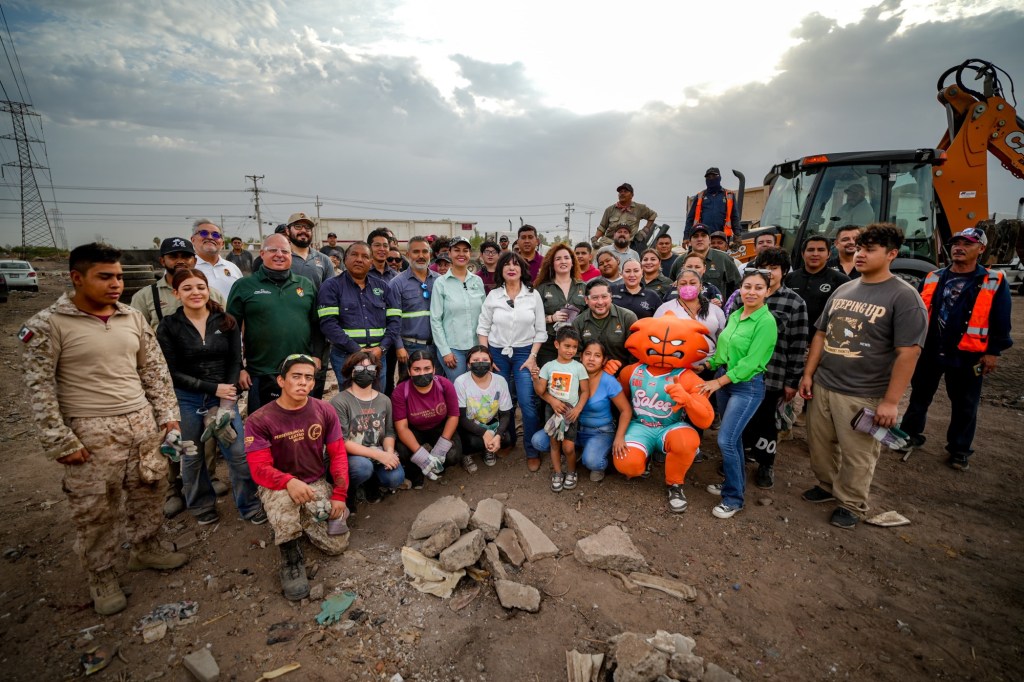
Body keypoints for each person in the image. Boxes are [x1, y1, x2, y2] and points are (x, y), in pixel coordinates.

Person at [21, 243, 186, 615]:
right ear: (77, 278)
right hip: (90, 429)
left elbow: (154, 372)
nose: (116, 284)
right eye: (105, 277)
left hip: (141, 422)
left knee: (149, 488)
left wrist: (167, 418)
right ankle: (102, 574)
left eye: (119, 277)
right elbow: (39, 388)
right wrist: (60, 439)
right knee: (95, 507)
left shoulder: (131, 317)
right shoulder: (46, 325)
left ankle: (146, 548)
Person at [799, 223, 928, 530]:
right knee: (820, 444)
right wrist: (808, 374)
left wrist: (890, 402)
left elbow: (909, 353)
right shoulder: (845, 288)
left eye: (870, 250)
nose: (860, 254)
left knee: (858, 453)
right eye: (859, 248)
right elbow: (820, 334)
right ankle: (827, 486)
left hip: (863, 392)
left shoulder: (904, 297)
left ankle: (851, 503)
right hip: (824, 384)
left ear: (891, 254)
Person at [157, 269, 265, 526]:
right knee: (190, 455)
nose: (195, 292)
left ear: (208, 290)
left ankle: (249, 505)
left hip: (223, 398)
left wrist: (227, 402)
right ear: (176, 293)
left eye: (200, 287)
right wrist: (211, 388)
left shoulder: (225, 321)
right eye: (187, 288)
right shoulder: (169, 326)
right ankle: (200, 505)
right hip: (187, 399)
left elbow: (234, 361)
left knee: (238, 453)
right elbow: (171, 372)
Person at [900, 227, 1013, 470]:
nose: (959, 248)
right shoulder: (932, 277)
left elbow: (1001, 318)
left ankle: (959, 449)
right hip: (930, 349)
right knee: (920, 395)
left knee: (964, 403)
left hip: (967, 353)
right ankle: (910, 434)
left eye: (967, 244)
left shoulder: (994, 281)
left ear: (980, 249)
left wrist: (993, 351)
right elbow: (916, 312)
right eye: (956, 243)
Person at [131, 237, 228, 515]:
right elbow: (137, 339)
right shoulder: (146, 296)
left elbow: (226, 330)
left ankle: (206, 478)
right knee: (173, 433)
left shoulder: (212, 294)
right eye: (173, 256)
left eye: (185, 255)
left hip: (208, 377)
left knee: (205, 436)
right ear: (162, 261)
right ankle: (174, 485)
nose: (181, 260)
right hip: (166, 379)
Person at [245, 354, 350, 601]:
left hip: (314, 483)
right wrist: (288, 482)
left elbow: (338, 455)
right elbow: (258, 468)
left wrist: (339, 495)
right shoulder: (259, 419)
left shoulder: (324, 410)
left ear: (313, 383)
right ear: (281, 381)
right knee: (283, 505)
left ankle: (298, 520)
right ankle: (291, 558)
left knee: (337, 546)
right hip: (278, 485)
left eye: (308, 377)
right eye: (296, 377)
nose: (303, 382)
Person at [700, 270, 778, 520]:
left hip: (747, 386)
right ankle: (733, 485)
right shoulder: (735, 314)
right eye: (747, 287)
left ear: (767, 291)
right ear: (740, 289)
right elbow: (723, 353)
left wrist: (718, 382)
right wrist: (705, 366)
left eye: (758, 288)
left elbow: (751, 363)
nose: (751, 292)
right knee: (733, 439)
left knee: (726, 439)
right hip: (725, 380)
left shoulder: (766, 322)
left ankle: (734, 499)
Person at [228, 234, 324, 410]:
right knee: (263, 428)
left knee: (299, 427)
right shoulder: (244, 286)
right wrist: (239, 368)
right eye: (273, 250)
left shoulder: (306, 285)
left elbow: (317, 325)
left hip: (298, 371)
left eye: (285, 251)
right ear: (262, 254)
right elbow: (230, 331)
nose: (279, 254)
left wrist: (317, 355)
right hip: (261, 372)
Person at [740, 249, 808, 489]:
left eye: (774, 268)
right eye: (764, 267)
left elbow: (798, 344)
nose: (769, 273)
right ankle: (741, 458)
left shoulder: (794, 302)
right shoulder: (747, 295)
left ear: (784, 271)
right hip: (743, 374)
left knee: (768, 423)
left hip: (773, 375)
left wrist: (792, 381)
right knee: (742, 419)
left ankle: (765, 464)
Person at [477, 251, 547, 470]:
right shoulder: (494, 295)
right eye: (506, 264)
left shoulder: (532, 295)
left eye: (516, 264)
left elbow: (541, 330)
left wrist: (533, 357)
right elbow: (483, 327)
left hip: (525, 353)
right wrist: (487, 356)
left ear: (522, 270)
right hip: (497, 353)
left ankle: (532, 449)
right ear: (501, 270)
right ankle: (506, 439)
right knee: (502, 400)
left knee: (527, 401)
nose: (511, 268)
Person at [531, 339, 631, 482]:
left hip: (598, 431)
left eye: (597, 356)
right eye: (588, 354)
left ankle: (598, 461)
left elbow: (626, 410)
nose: (591, 359)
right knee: (538, 441)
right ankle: (574, 451)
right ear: (581, 356)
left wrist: (620, 437)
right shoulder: (569, 373)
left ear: (604, 360)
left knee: (592, 461)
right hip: (570, 427)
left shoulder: (608, 381)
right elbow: (545, 391)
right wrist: (552, 400)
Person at [317, 241, 399, 390]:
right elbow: (328, 324)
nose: (359, 259)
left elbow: (394, 321)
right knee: (351, 401)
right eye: (354, 254)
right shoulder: (331, 286)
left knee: (377, 399)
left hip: (378, 356)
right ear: (345, 259)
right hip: (346, 356)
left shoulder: (383, 287)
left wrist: (381, 348)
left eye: (365, 256)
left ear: (371, 262)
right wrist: (356, 350)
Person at [330, 352, 406, 504]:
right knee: (362, 467)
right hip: (350, 457)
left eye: (370, 367)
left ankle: (372, 482)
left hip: (377, 452)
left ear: (376, 372)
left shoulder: (384, 400)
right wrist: (379, 456)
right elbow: (342, 441)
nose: (365, 371)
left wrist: (389, 453)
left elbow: (389, 432)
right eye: (359, 367)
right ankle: (352, 489)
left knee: (395, 477)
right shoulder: (339, 401)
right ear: (350, 371)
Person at [532, 327, 590, 491]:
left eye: (574, 347)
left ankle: (571, 472)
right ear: (557, 344)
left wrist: (578, 409)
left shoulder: (578, 367)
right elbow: (540, 391)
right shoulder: (548, 366)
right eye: (567, 346)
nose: (571, 350)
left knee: (568, 447)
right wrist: (536, 379)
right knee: (554, 443)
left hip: (571, 411)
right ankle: (557, 473)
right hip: (553, 411)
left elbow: (585, 391)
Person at [393, 350, 464, 481]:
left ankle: (437, 464)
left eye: (427, 368)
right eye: (416, 369)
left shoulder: (445, 384)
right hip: (414, 429)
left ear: (434, 370)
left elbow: (453, 416)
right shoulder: (400, 391)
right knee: (402, 451)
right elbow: (402, 427)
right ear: (409, 371)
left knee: (453, 455)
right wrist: (421, 455)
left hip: (439, 427)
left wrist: (441, 448)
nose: (422, 373)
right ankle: (417, 470)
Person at [430, 236, 486, 382]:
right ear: (449, 254)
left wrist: (484, 348)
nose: (461, 254)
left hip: (476, 348)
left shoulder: (477, 281)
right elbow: (435, 320)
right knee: (459, 392)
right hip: (453, 350)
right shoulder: (440, 283)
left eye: (465, 250)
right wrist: (445, 351)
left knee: (477, 388)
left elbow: (485, 316)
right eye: (456, 250)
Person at [388, 236, 439, 387]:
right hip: (409, 347)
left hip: (437, 346)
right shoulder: (397, 283)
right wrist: (399, 346)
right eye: (416, 252)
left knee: (435, 386)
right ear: (408, 254)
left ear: (430, 254)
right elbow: (393, 319)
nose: (421, 256)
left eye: (425, 251)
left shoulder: (439, 281)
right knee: (408, 387)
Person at [455, 345, 515, 468]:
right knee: (472, 442)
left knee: (506, 438)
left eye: (485, 360)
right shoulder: (460, 382)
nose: (480, 364)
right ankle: (466, 454)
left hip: (489, 422)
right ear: (468, 364)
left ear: (491, 363)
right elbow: (461, 417)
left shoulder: (500, 381)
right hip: (468, 425)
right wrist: (484, 433)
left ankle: (488, 447)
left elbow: (505, 414)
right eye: (475, 361)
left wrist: (497, 435)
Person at [784, 236, 850, 346]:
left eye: (821, 250)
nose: (815, 254)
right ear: (802, 253)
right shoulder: (789, 279)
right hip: (790, 342)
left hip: (824, 344)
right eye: (810, 250)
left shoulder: (841, 281)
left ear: (828, 254)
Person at [534, 243, 587, 367]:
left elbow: (591, 314)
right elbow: (531, 318)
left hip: (576, 346)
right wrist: (551, 318)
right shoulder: (541, 289)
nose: (563, 261)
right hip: (548, 346)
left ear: (572, 262)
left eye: (566, 258)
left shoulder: (584, 287)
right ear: (552, 264)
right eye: (558, 259)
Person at [573, 277, 638, 371]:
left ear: (611, 297)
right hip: (589, 377)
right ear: (586, 300)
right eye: (595, 298)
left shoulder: (627, 318)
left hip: (621, 376)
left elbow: (635, 353)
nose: (600, 302)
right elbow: (575, 354)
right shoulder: (578, 322)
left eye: (604, 297)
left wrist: (626, 375)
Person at [655, 269, 727, 353]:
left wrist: (711, 363)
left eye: (693, 283)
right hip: (676, 362)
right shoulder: (665, 309)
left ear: (700, 286)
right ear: (677, 287)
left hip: (709, 362)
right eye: (683, 283)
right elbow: (656, 336)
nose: (688, 286)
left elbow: (723, 339)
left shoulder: (715, 309)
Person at [670, 224, 741, 298]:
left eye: (703, 235)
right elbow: (672, 288)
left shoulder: (723, 259)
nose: (700, 239)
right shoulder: (679, 261)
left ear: (709, 240)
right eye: (695, 236)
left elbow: (737, 288)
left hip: (716, 307)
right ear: (690, 241)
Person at [593, 182, 658, 248]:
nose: (622, 193)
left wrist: (645, 230)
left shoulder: (639, 208)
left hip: (627, 244)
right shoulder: (610, 210)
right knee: (596, 253)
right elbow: (602, 226)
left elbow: (653, 215)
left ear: (632, 195)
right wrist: (595, 238)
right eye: (620, 192)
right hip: (608, 242)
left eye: (625, 191)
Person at [190, 219, 243, 299]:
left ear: (222, 243)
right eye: (204, 233)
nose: (210, 237)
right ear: (193, 240)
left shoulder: (233, 268)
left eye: (215, 235)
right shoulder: (185, 268)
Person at [685, 167, 740, 241]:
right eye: (708, 177)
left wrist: (738, 235)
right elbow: (690, 219)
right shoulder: (700, 196)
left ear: (719, 178)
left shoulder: (729, 195)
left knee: (719, 253)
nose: (711, 179)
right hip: (702, 237)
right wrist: (686, 237)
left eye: (714, 176)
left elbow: (735, 217)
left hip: (722, 237)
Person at [285, 212, 334, 289]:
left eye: (307, 227)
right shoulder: (281, 258)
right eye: (298, 226)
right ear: (287, 231)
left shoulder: (324, 260)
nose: (303, 230)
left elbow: (330, 292)